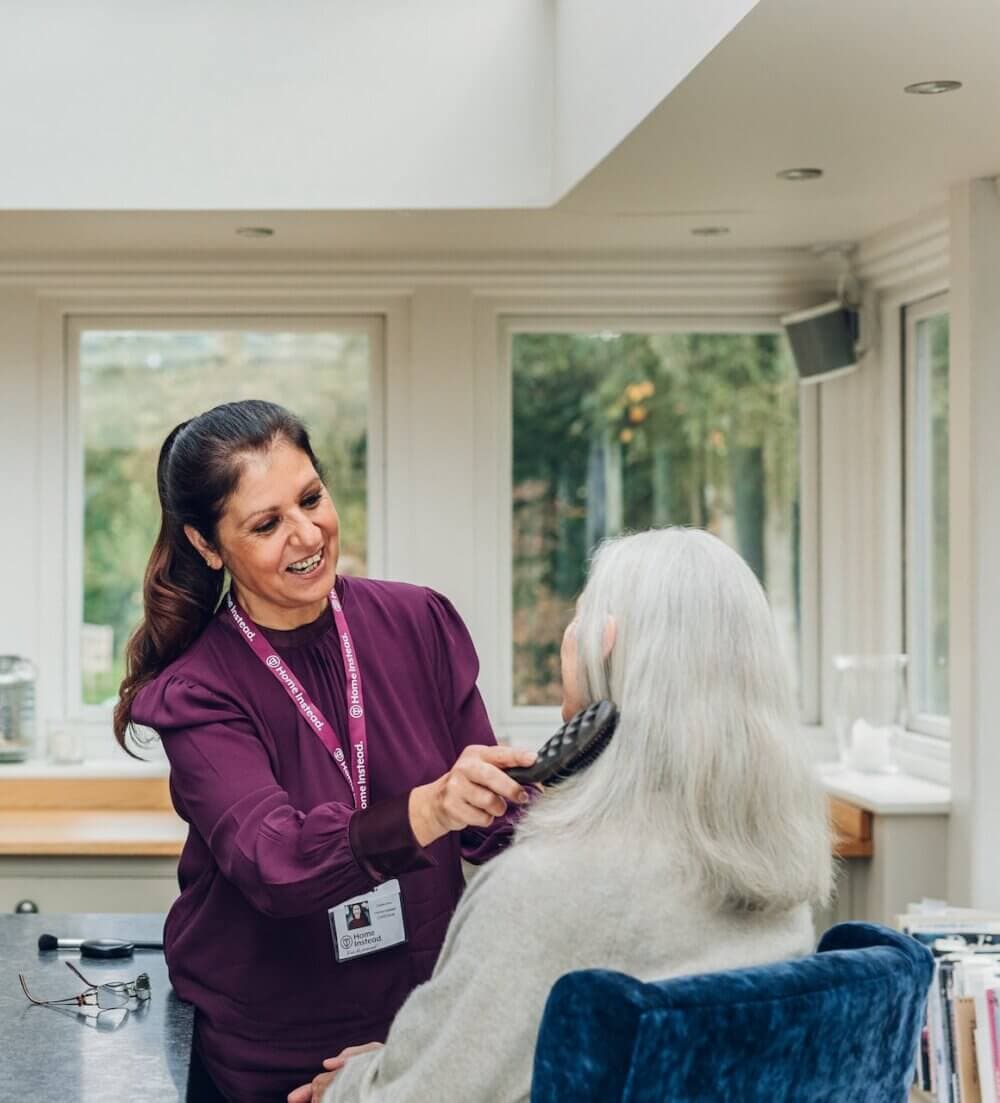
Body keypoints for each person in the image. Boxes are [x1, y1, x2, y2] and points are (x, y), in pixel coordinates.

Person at [290, 527, 833, 1103]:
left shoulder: (540, 890)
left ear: (606, 644)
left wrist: (349, 1086)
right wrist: (407, 1058)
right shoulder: (779, 878)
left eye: (577, 618)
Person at [115, 400, 536, 1102]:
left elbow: (493, 824)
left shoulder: (418, 622)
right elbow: (274, 861)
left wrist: (553, 794)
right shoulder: (197, 689)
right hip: (270, 1058)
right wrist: (427, 808)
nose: (307, 533)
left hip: (414, 1040)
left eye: (311, 498)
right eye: (266, 523)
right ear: (208, 545)